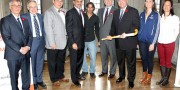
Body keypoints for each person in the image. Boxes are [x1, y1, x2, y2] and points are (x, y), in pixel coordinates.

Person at [107, 0, 140, 88]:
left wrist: (127, 34)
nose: (121, 2)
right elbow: (113, 26)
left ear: (127, 1)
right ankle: (121, 76)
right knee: (120, 62)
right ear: (117, 3)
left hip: (129, 42)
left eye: (123, 0)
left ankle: (131, 80)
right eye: (119, 1)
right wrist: (110, 35)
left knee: (131, 63)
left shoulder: (133, 11)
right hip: (119, 42)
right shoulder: (116, 12)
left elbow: (136, 26)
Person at [1, 0, 32, 90]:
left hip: (25, 54)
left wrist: (28, 47)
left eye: (19, 5)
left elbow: (30, 35)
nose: (17, 7)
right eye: (14, 5)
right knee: (14, 79)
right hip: (13, 55)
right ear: (10, 7)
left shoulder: (25, 20)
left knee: (26, 78)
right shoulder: (5, 20)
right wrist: (20, 49)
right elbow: (6, 38)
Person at [21, 1, 46, 89]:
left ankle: (39, 80)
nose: (34, 9)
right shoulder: (23, 17)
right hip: (31, 42)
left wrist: (45, 41)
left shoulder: (40, 16)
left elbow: (43, 29)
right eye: (31, 7)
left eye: (35, 7)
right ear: (28, 8)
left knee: (40, 62)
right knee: (32, 63)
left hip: (41, 41)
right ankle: (34, 81)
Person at [44, 0, 69, 86]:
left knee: (61, 61)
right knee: (52, 62)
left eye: (61, 1)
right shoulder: (49, 12)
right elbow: (48, 28)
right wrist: (52, 42)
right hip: (53, 43)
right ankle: (54, 79)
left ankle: (60, 75)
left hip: (63, 41)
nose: (59, 2)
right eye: (57, 0)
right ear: (53, 1)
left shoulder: (65, 11)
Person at [156, 0, 179, 86]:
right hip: (160, 43)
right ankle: (163, 78)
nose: (166, 6)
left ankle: (167, 79)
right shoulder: (160, 17)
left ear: (171, 7)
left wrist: (171, 39)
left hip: (169, 43)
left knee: (167, 62)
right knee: (162, 62)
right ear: (162, 6)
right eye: (165, 5)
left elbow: (176, 32)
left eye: (168, 5)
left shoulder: (175, 18)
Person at [138, 0, 160, 84]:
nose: (148, 3)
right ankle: (144, 75)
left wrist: (153, 43)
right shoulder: (141, 14)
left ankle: (149, 76)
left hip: (151, 42)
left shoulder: (156, 15)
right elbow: (139, 28)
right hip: (141, 41)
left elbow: (157, 30)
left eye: (150, 1)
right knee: (143, 58)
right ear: (145, 3)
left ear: (153, 3)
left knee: (149, 59)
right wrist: (137, 40)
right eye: (146, 1)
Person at [66, 0, 85, 87]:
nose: (79, 3)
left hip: (81, 42)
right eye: (77, 1)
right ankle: (74, 79)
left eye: (81, 1)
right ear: (74, 2)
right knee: (74, 62)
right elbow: (69, 29)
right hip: (74, 43)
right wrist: (73, 42)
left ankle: (77, 74)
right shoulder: (70, 13)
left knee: (79, 61)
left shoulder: (82, 12)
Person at [97, 0, 117, 79]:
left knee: (113, 55)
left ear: (112, 1)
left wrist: (113, 35)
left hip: (111, 37)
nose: (108, 1)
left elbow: (117, 24)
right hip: (102, 37)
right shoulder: (100, 10)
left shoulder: (116, 10)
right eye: (106, 0)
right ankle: (104, 71)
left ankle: (112, 72)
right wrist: (99, 38)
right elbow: (98, 25)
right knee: (103, 55)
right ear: (104, 1)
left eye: (110, 0)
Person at [81, 2, 99, 78]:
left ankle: (92, 71)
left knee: (93, 57)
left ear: (93, 8)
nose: (90, 8)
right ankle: (84, 70)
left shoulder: (96, 17)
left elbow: (97, 29)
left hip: (91, 40)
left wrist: (99, 39)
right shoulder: (82, 16)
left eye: (91, 7)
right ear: (86, 8)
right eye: (88, 7)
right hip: (82, 40)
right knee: (82, 57)